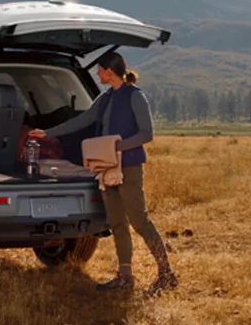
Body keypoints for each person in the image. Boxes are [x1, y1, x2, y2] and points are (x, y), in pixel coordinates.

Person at [28, 52, 177, 295]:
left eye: (100, 69)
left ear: (109, 71)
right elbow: (83, 120)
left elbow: (146, 134)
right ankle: (125, 276)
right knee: (117, 222)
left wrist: (116, 147)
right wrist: (48, 133)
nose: (97, 73)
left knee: (139, 221)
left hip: (128, 167)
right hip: (106, 167)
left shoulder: (135, 96)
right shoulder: (106, 98)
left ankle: (166, 273)